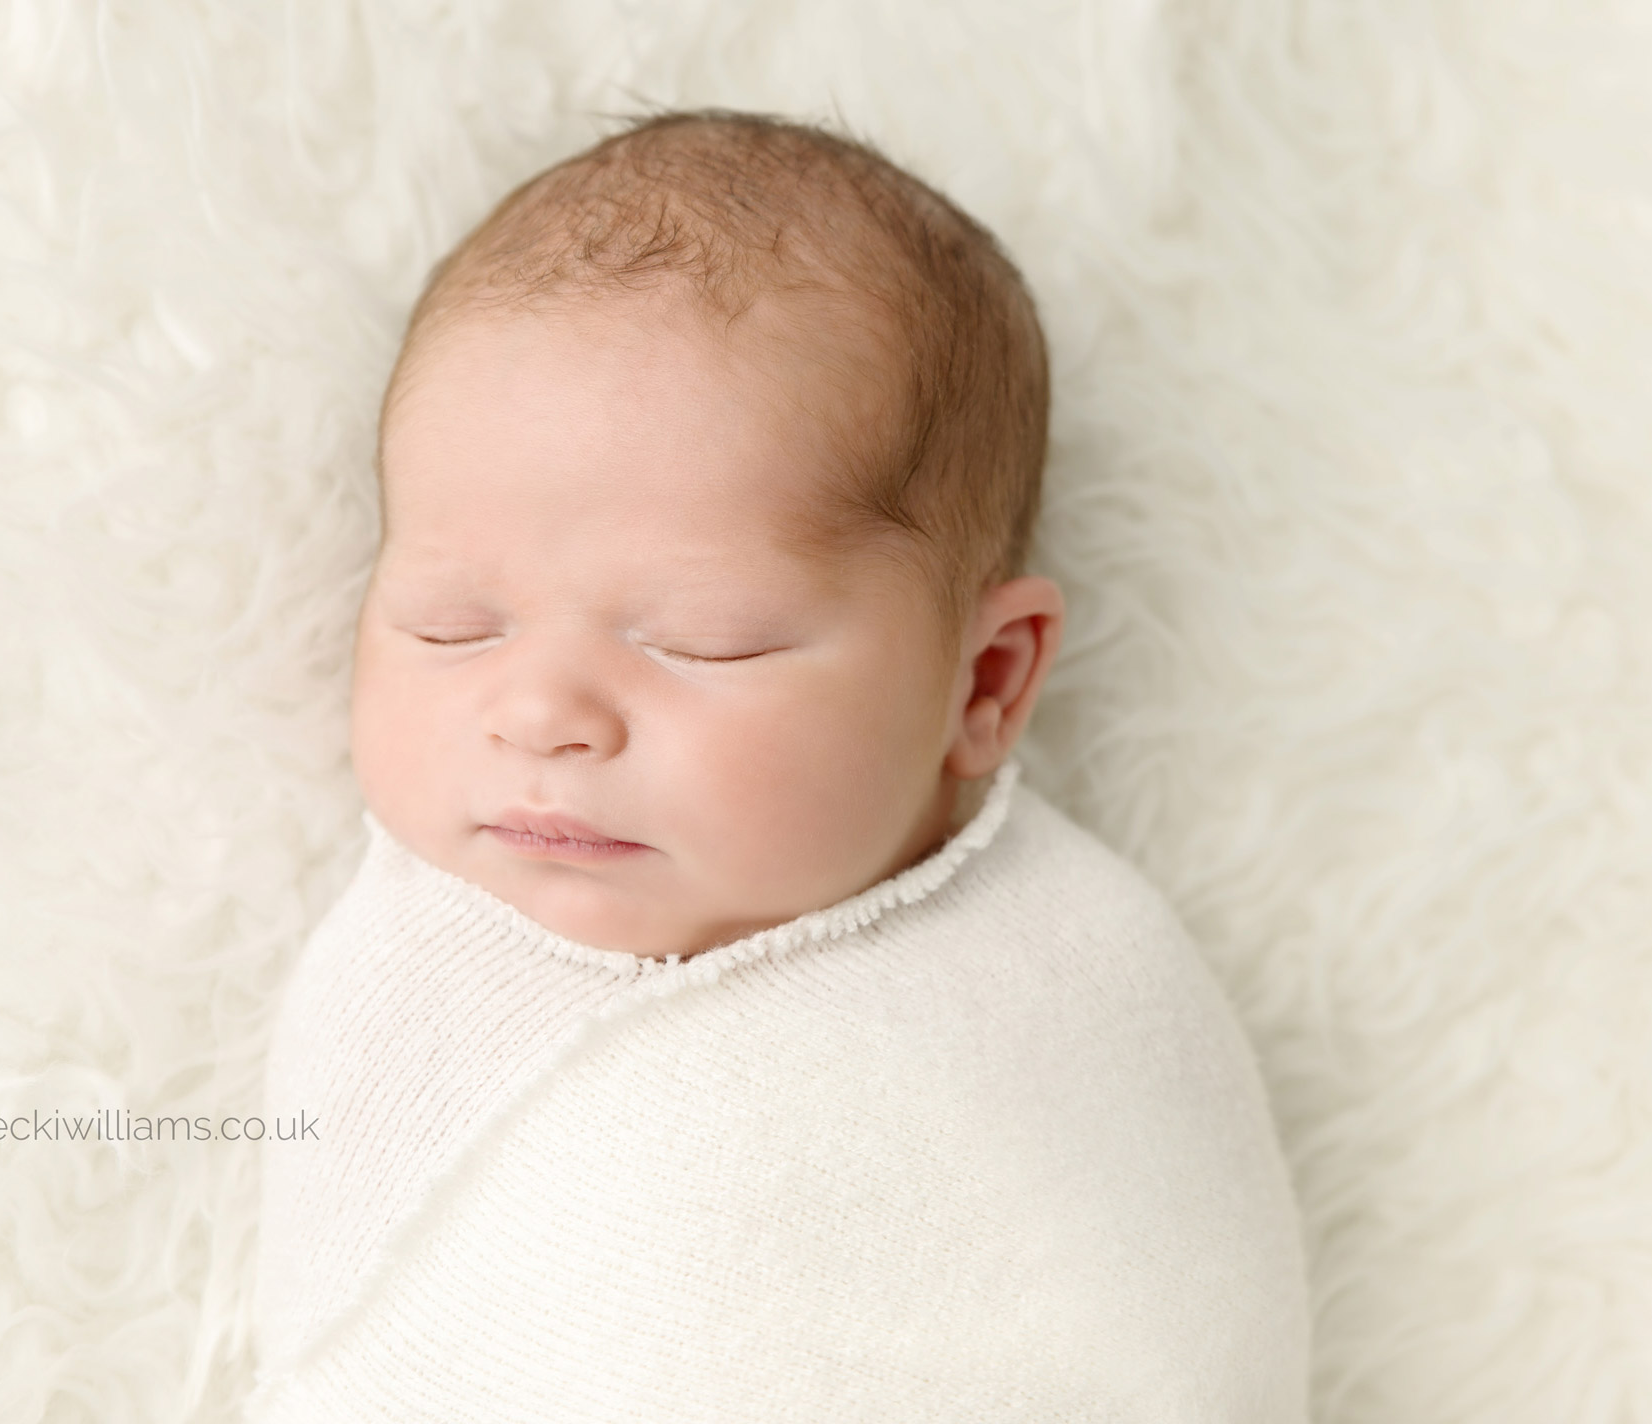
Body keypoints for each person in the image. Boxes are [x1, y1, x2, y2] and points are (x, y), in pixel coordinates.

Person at [248, 110, 1310, 1421]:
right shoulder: (406, 969)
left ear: (982, 682)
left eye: (705, 641)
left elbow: (1172, 1349)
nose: (538, 712)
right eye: (450, 626)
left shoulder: (1069, 997)